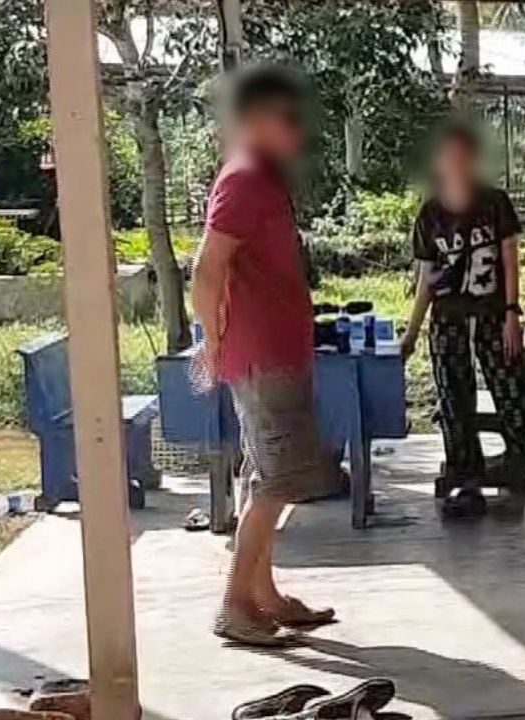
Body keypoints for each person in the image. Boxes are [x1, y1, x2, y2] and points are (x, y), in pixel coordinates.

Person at [192, 65, 335, 646]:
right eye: (286, 119)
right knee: (280, 479)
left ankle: (263, 594)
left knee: (266, 476)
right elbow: (206, 270)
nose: (297, 131)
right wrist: (214, 342)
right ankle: (235, 604)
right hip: (261, 357)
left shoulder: (262, 179)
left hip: (276, 350)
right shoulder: (245, 177)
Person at [401, 123, 525, 521]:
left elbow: (509, 258)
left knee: (513, 399)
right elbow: (426, 279)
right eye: (448, 157)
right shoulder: (430, 214)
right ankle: (466, 484)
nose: (456, 164)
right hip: (448, 321)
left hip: (491, 316)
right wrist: (412, 333)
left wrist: (512, 312)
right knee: (454, 402)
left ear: (473, 160)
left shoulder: (494, 203)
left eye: (463, 156)